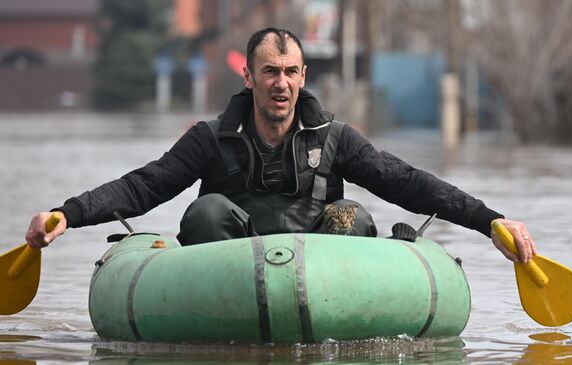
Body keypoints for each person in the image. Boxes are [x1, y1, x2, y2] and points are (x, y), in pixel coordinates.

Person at [25, 27, 537, 263]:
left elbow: (407, 182)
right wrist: (68, 213)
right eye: (270, 71)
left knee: (352, 215)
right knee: (204, 212)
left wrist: (488, 220)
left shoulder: (334, 138)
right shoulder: (208, 139)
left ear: (303, 76)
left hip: (324, 272)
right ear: (249, 77)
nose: (281, 83)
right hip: (225, 276)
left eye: (291, 72)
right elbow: (143, 187)